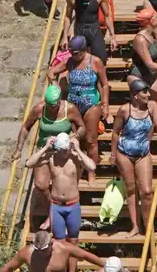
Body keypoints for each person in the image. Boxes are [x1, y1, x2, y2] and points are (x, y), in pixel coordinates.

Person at [13, 83, 85, 214]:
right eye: (48, 105)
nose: (51, 108)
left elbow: (82, 127)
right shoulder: (39, 109)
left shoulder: (70, 109)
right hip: (45, 148)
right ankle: (52, 208)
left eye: (53, 105)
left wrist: (76, 135)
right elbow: (25, 127)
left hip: (64, 150)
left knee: (69, 181)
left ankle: (67, 208)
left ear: (59, 102)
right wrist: (19, 149)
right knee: (40, 185)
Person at [113, 78, 157, 237]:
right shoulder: (124, 110)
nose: (148, 95)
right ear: (135, 95)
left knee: (147, 191)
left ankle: (148, 225)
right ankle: (135, 226)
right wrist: (112, 154)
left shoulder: (152, 107)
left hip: (143, 153)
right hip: (124, 153)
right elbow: (115, 132)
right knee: (130, 189)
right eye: (144, 92)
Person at [25, 131, 95, 243]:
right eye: (62, 150)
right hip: (56, 206)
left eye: (66, 149)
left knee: (73, 241)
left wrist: (78, 149)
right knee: (59, 242)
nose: (65, 152)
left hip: (73, 205)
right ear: (57, 148)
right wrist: (46, 147)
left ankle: (72, 261)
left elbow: (92, 167)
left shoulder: (75, 158)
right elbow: (29, 164)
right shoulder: (51, 158)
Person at [49, 35, 109, 156]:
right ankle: (77, 169)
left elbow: (105, 85)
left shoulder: (95, 61)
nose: (74, 56)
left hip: (91, 104)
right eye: (72, 53)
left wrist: (105, 104)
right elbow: (51, 71)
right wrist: (55, 85)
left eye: (76, 53)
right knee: (74, 139)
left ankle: (91, 173)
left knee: (91, 140)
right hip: (73, 105)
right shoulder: (70, 61)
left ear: (83, 50)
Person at [60, 0, 114, 64]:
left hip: (94, 28)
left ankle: (99, 78)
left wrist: (112, 36)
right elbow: (68, 16)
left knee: (102, 58)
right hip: (80, 29)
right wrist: (65, 37)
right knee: (78, 59)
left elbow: (107, 15)